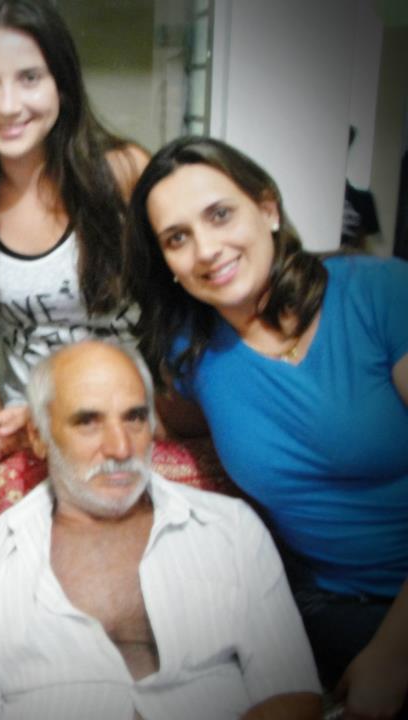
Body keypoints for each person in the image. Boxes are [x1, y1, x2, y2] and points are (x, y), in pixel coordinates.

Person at [128, 135, 408, 718]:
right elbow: (153, 417)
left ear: (268, 208)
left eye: (219, 215)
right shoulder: (190, 353)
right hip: (323, 606)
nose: (206, 250)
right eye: (177, 238)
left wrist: (393, 652)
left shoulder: (381, 293)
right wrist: (49, 413)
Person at [0, 340, 321, 719]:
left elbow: (294, 693)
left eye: (134, 417)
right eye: (88, 421)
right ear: (38, 436)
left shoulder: (231, 528)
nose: (120, 448)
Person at [0, 0, 148, 460]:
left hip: (130, 421)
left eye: (29, 78)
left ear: (61, 85)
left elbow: (185, 293)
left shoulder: (121, 172)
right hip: (30, 427)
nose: (8, 106)